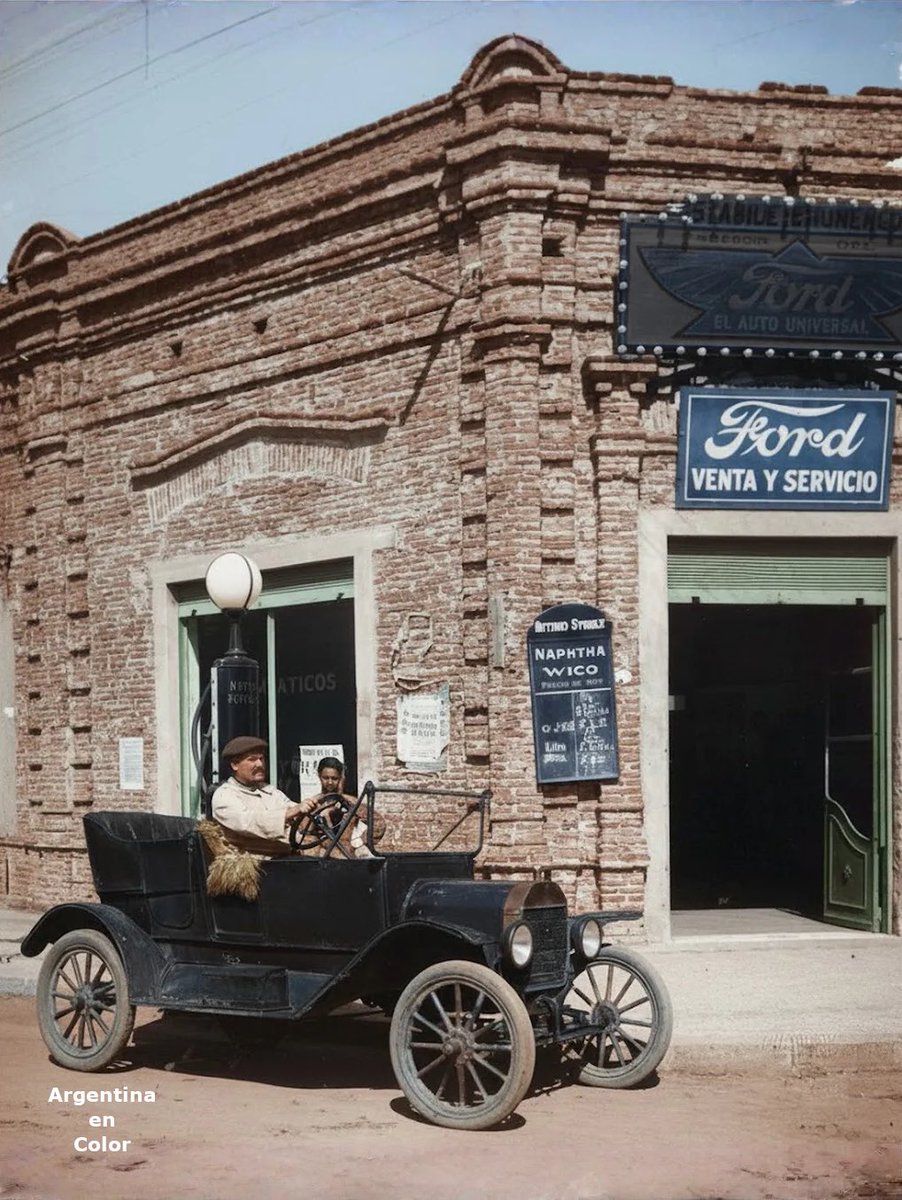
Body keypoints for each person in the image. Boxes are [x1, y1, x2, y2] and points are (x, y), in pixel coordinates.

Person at [211, 735, 318, 856]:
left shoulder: (269, 791)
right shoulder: (224, 795)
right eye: (252, 759)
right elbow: (248, 823)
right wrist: (288, 813)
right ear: (235, 765)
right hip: (256, 864)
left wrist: (317, 809)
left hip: (289, 856)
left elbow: (296, 809)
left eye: (262, 759)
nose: (260, 764)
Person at [306, 756, 384, 858]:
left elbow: (379, 823)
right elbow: (305, 834)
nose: (330, 782)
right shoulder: (313, 803)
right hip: (322, 858)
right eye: (325, 778)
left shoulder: (351, 802)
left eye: (334, 778)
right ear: (319, 776)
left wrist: (359, 843)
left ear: (340, 778)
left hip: (348, 856)